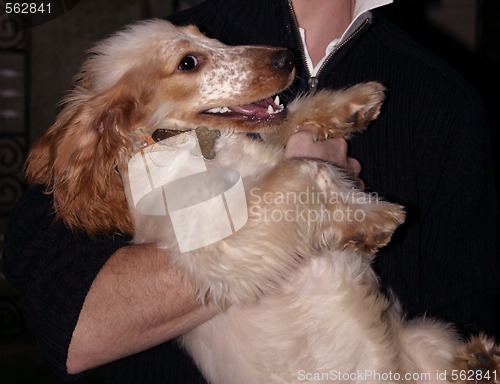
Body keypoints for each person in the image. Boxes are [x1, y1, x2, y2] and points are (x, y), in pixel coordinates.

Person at [2, 0, 498, 383]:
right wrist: (307, 191)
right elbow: (65, 327)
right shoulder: (142, 68)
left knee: (442, 349)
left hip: (389, 354)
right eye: (195, 57)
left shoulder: (449, 104)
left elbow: (472, 311)